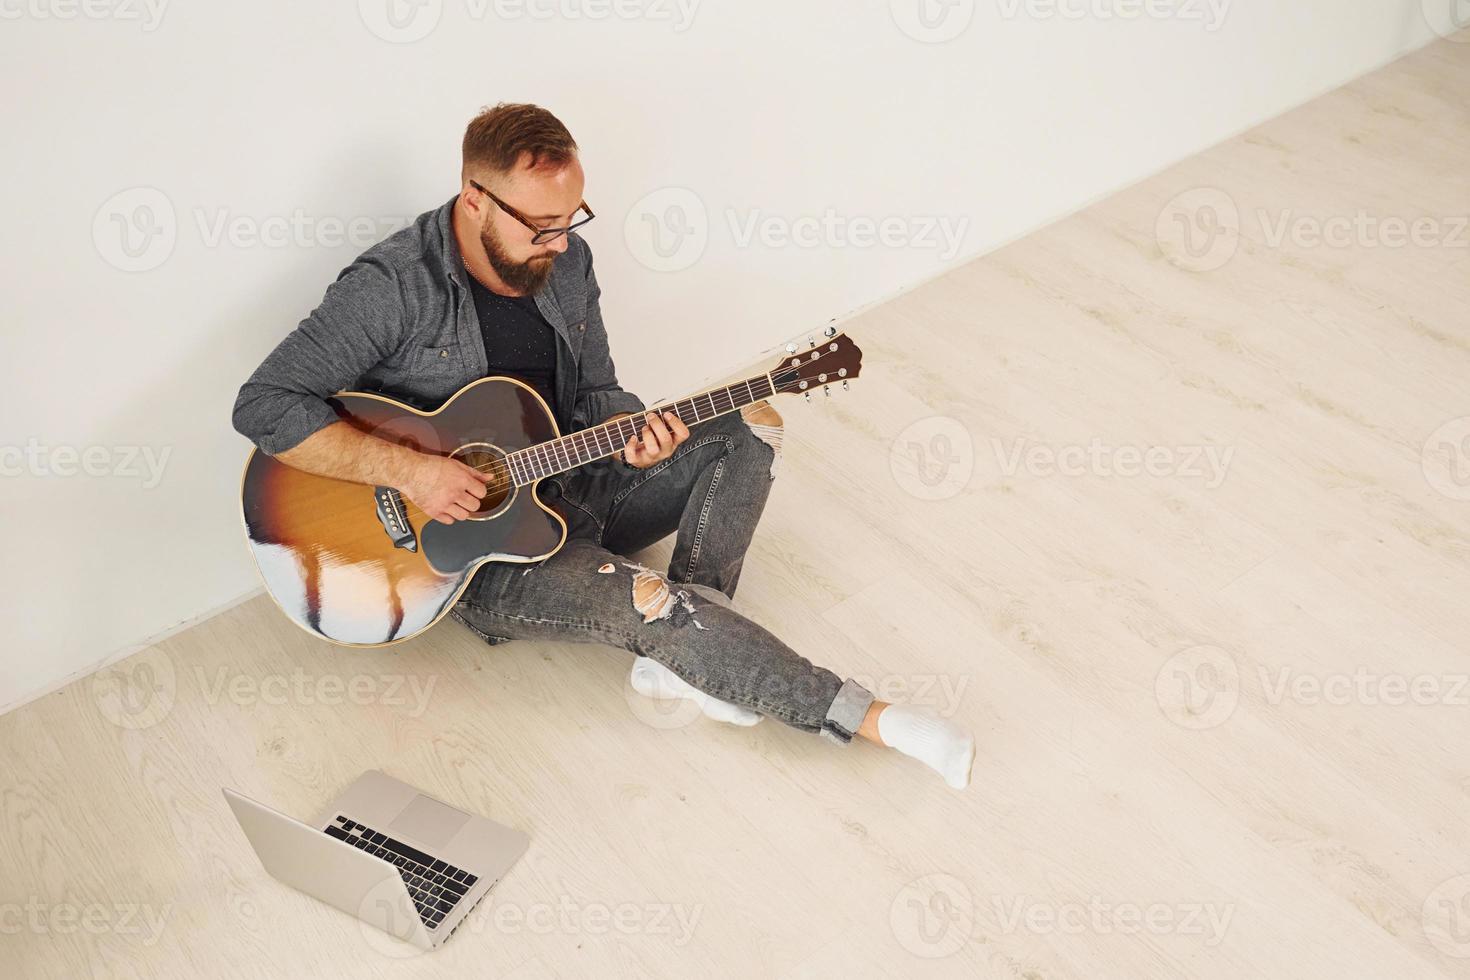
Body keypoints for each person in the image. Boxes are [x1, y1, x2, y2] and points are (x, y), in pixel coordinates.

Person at [231, 102, 974, 789]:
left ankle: (678, 661)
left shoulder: (567, 264)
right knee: (652, 601)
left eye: (571, 218)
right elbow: (264, 404)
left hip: (569, 478)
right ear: (475, 200)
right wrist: (413, 471)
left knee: (752, 426)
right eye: (540, 225)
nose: (559, 241)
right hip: (466, 552)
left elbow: (595, 395)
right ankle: (871, 719)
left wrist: (635, 437)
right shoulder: (392, 288)